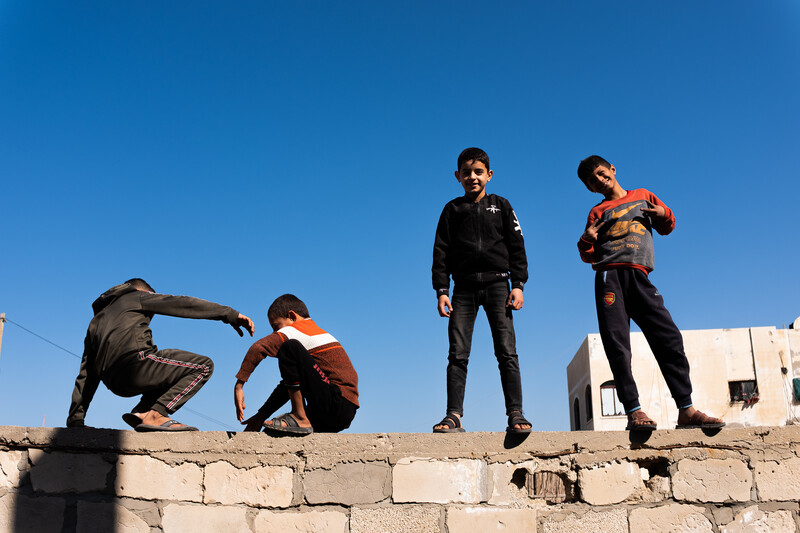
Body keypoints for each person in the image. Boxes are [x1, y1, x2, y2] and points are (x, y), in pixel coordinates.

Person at [577, 155, 724, 431]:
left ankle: (686, 410)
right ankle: (634, 411)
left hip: (640, 276)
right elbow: (588, 255)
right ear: (590, 189)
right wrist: (587, 239)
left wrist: (662, 214)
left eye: (600, 172)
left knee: (668, 337)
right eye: (592, 180)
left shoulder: (643, 196)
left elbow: (668, 225)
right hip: (609, 278)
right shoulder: (597, 212)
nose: (599, 179)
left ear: (612, 169)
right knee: (617, 345)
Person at [67, 278, 254, 432]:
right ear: (147, 294)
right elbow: (181, 304)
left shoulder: (95, 322)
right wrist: (229, 314)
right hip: (135, 364)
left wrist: (76, 420)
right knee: (203, 366)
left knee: (165, 368)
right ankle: (157, 413)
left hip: (115, 383)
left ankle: (143, 411)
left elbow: (86, 375)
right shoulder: (136, 296)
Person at [431, 147, 531, 434]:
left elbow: (517, 247)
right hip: (462, 290)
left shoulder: (501, 205)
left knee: (506, 351)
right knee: (457, 353)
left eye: (478, 172)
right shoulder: (452, 210)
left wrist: (518, 285)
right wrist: (442, 290)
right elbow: (441, 252)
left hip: (499, 285)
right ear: (457, 176)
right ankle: (454, 416)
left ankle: (515, 413)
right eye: (466, 173)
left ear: (489, 175)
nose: (472, 177)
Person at [234, 294, 359, 436]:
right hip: (337, 410)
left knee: (289, 347)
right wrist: (261, 415)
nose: (275, 333)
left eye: (276, 327)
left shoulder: (298, 329)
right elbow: (290, 386)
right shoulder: (314, 335)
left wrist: (239, 384)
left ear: (292, 316)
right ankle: (300, 417)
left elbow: (259, 347)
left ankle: (299, 416)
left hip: (337, 401)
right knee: (274, 433)